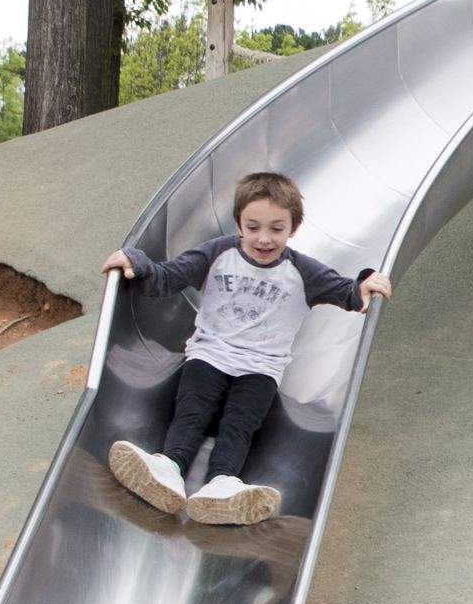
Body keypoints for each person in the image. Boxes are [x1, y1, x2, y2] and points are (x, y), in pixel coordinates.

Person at [100, 169, 389, 527]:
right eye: (253, 227)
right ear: (239, 223)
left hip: (261, 368)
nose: (264, 238)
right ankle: (169, 468)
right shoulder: (217, 253)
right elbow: (169, 276)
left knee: (241, 424)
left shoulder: (302, 271)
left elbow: (346, 291)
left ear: (293, 229)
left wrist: (365, 284)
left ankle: (222, 484)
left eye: (276, 229)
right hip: (209, 354)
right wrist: (136, 263)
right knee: (191, 411)